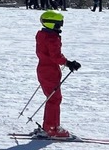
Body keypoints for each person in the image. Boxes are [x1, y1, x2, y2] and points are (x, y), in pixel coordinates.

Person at [35, 10, 81, 140]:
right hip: (49, 71)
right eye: (58, 25)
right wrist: (69, 63)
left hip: (44, 69)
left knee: (52, 98)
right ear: (52, 24)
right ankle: (52, 128)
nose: (60, 28)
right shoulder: (52, 38)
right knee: (54, 99)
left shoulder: (42, 35)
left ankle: (49, 126)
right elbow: (55, 56)